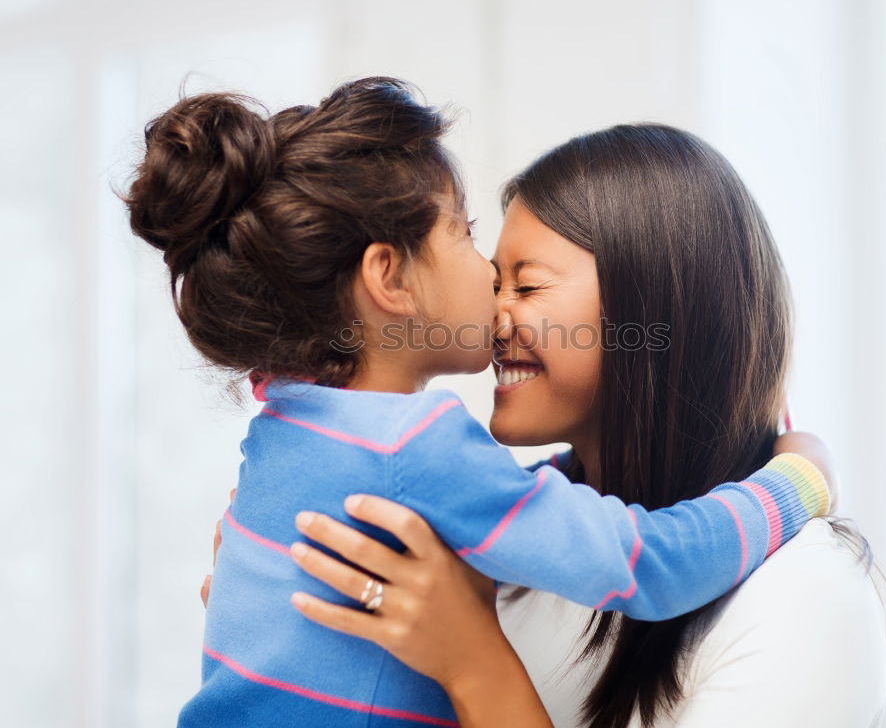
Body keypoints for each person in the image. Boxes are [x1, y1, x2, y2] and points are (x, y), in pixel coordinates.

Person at [124, 77, 832, 728]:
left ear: (656, 305)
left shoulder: (284, 424)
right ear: (388, 277)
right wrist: (798, 480)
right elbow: (649, 562)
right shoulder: (420, 444)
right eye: (464, 234)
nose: (493, 292)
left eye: (526, 285)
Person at [283, 123, 886, 728]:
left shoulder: (805, 594)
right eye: (495, 284)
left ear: (654, 306)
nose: (491, 319)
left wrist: (473, 664)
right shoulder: (505, 556)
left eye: (527, 285)